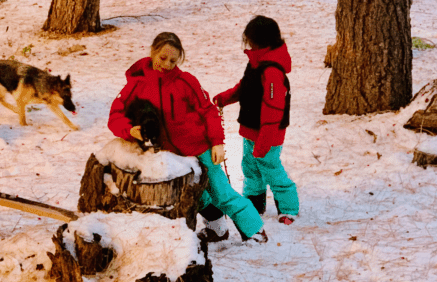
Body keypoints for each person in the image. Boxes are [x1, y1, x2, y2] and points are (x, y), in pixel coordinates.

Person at [108, 32, 267, 243]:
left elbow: (208, 110)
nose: (166, 65)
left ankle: (255, 230)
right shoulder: (137, 84)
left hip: (200, 149)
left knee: (221, 193)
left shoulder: (186, 81)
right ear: (153, 52)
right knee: (194, 196)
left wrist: (217, 142)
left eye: (173, 61)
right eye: (162, 58)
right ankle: (217, 228)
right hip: (172, 156)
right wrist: (130, 130)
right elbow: (115, 115)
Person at [214, 15, 299, 225]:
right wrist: (226, 98)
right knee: (250, 169)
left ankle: (288, 208)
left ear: (260, 41)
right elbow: (245, 88)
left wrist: (264, 141)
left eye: (250, 39)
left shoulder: (272, 71)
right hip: (250, 130)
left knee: (271, 169)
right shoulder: (255, 63)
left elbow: (273, 110)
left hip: (268, 135)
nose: (248, 43)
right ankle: (254, 202)